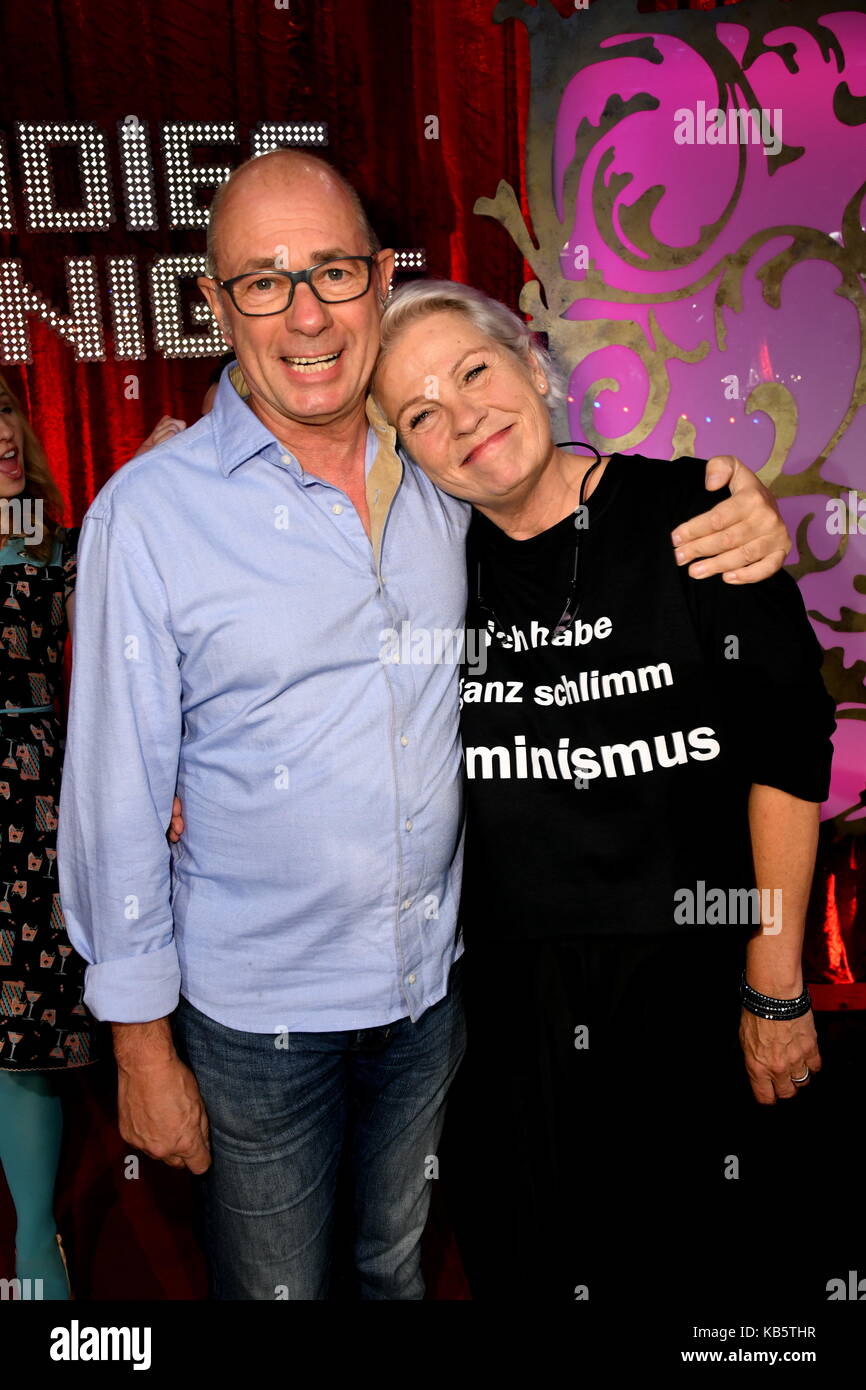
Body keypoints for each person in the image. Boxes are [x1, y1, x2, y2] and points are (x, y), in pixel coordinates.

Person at [57, 150, 791, 1301]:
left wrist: (736, 508)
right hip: (258, 1024)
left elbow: (559, 490)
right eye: (262, 280)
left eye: (334, 272)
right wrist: (141, 1050)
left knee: (394, 1274)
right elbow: (110, 799)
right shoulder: (150, 516)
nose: (305, 312)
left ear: (380, 275)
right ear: (215, 305)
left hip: (436, 1001)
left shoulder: (441, 472)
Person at [370, 280, 836, 1304]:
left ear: (533, 366)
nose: (462, 416)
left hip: (696, 1000)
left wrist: (772, 976)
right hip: (505, 1030)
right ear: (405, 452)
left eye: (475, 371)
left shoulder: (693, 515)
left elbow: (786, 746)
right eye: (419, 412)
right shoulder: (424, 572)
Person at [0, 373, 103, 1300]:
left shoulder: (52, 541)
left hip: (31, 802)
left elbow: (114, 630)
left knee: (23, 1031)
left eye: (2, 412)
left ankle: (36, 1248)